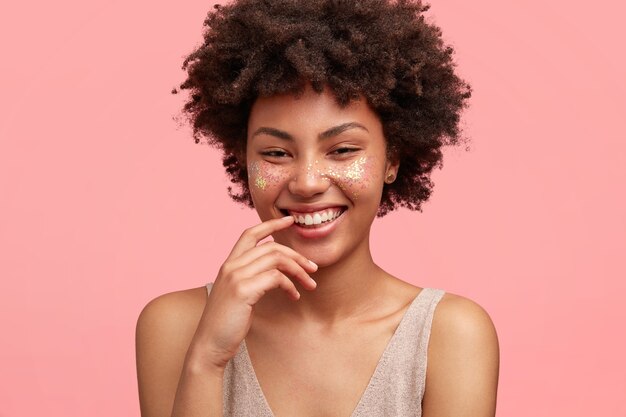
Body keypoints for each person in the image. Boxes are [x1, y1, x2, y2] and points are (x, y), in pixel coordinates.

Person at [135, 0, 499, 416]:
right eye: (275, 152)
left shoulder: (451, 336)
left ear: (392, 159)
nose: (307, 182)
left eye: (342, 150)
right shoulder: (175, 327)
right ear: (242, 159)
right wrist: (207, 361)